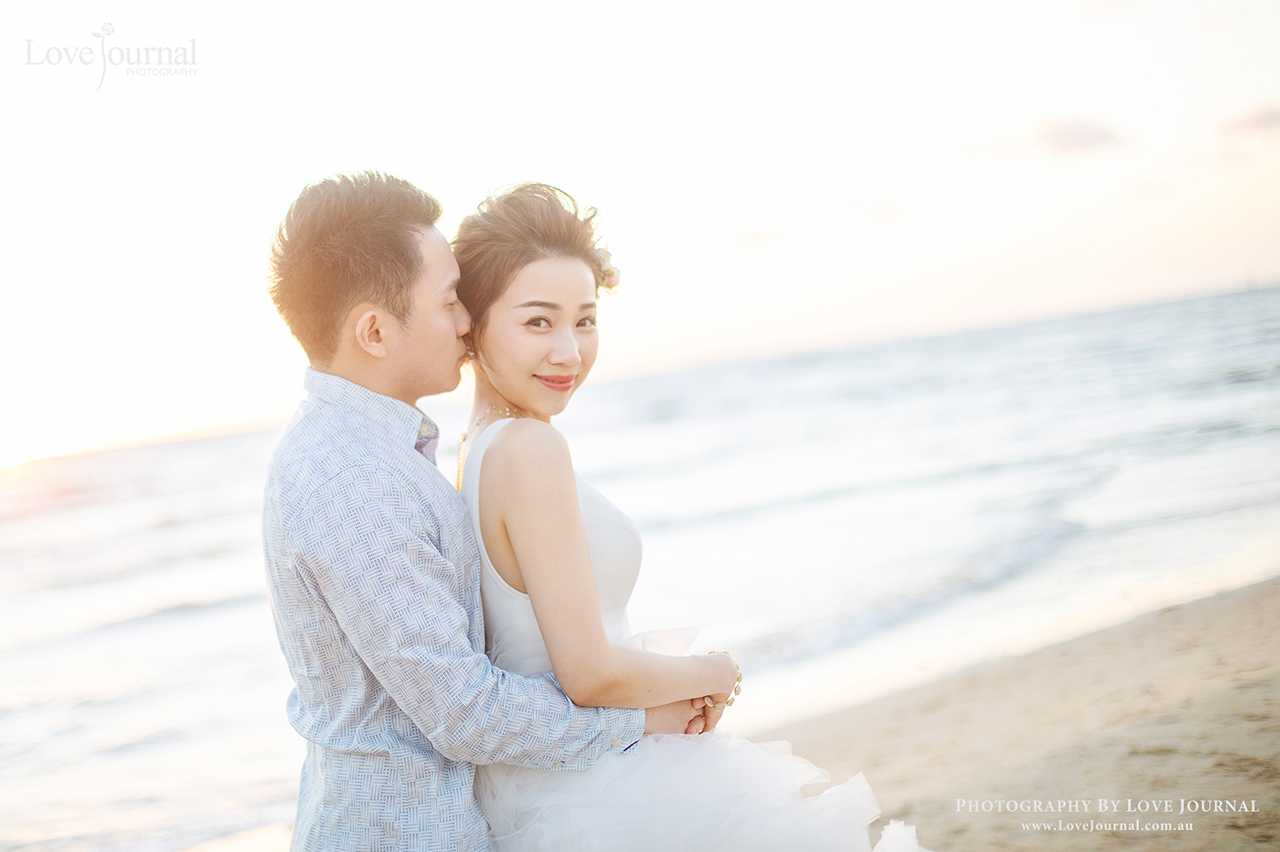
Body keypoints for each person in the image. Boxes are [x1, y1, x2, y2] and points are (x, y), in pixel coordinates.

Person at [453, 183, 932, 851]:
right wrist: (714, 674)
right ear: (472, 326)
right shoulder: (529, 449)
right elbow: (588, 673)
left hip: (552, 786)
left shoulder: (476, 450)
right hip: (594, 792)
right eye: (538, 322)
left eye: (585, 320)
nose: (569, 351)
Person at [262, 172, 704, 852]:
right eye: (450, 302)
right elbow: (465, 710)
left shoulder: (385, 452)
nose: (465, 322)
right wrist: (646, 718)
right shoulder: (354, 481)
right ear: (374, 331)